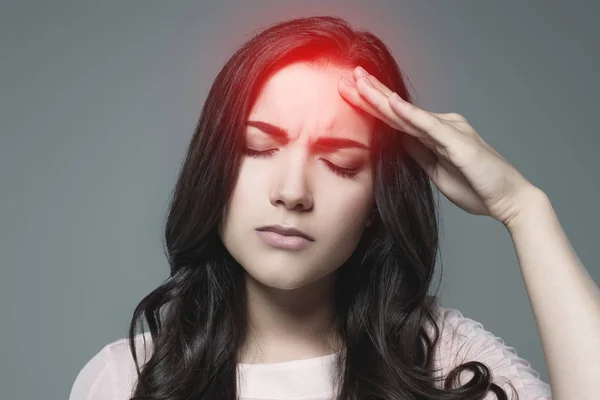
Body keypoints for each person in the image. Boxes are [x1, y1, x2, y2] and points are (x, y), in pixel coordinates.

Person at [70, 15, 599, 400]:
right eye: (258, 148)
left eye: (341, 164)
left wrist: (522, 207)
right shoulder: (127, 379)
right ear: (215, 168)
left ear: (376, 203)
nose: (293, 191)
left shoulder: (440, 361)